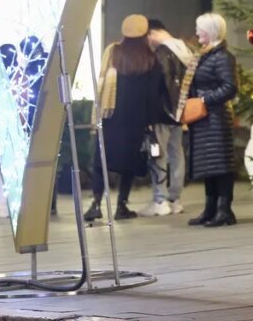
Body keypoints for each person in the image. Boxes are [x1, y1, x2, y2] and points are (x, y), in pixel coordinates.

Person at [84, 14, 166, 222]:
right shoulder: (150, 59)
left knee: (102, 160)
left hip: (110, 114)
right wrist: (149, 120)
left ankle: (95, 203)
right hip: (135, 118)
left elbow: (102, 79)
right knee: (129, 162)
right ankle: (121, 205)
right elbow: (153, 94)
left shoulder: (113, 52)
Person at [186, 12, 239, 228]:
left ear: (211, 31)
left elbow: (230, 87)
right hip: (204, 118)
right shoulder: (205, 54)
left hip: (216, 118)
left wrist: (204, 100)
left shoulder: (223, 57)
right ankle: (210, 208)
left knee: (221, 165)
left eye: (200, 29)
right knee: (209, 166)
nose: (197, 32)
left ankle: (224, 209)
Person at [137, 19, 194, 217]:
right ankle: (175, 199)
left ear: (152, 33)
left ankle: (160, 200)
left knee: (158, 155)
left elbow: (158, 84)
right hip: (180, 112)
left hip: (161, 112)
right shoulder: (185, 50)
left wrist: (149, 114)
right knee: (177, 154)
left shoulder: (162, 52)